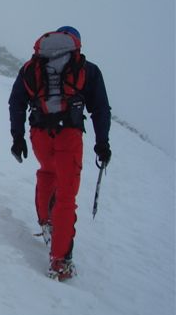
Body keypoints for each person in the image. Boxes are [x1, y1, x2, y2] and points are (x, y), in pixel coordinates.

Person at [8, 26, 112, 281]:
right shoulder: (86, 69)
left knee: (47, 173)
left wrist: (17, 137)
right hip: (69, 135)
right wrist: (102, 143)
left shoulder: (33, 66)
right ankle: (60, 262)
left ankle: (47, 223)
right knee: (66, 195)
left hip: (39, 134)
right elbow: (100, 109)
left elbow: (17, 103)